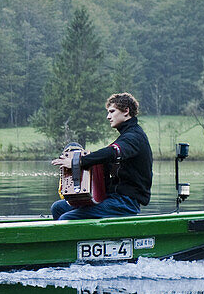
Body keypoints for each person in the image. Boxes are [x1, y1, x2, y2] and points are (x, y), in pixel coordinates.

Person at [49, 92, 152, 220]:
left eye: (112, 111)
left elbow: (111, 152)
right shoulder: (126, 136)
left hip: (126, 203)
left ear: (126, 111)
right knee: (58, 207)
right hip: (111, 198)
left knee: (66, 219)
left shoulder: (134, 137)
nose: (108, 117)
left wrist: (79, 162)